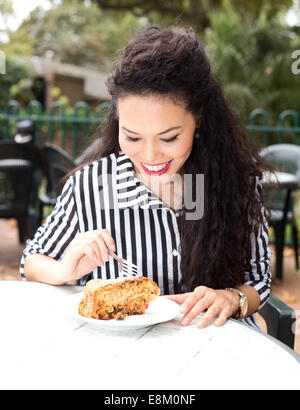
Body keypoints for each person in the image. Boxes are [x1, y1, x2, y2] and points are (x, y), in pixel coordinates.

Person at [20, 25, 272, 329]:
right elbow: (31, 262)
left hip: (214, 346)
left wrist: (233, 298)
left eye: (169, 138)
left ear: (198, 119)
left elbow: (257, 279)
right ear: (118, 121)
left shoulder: (235, 184)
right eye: (133, 137)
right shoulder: (92, 186)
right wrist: (64, 270)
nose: (150, 156)